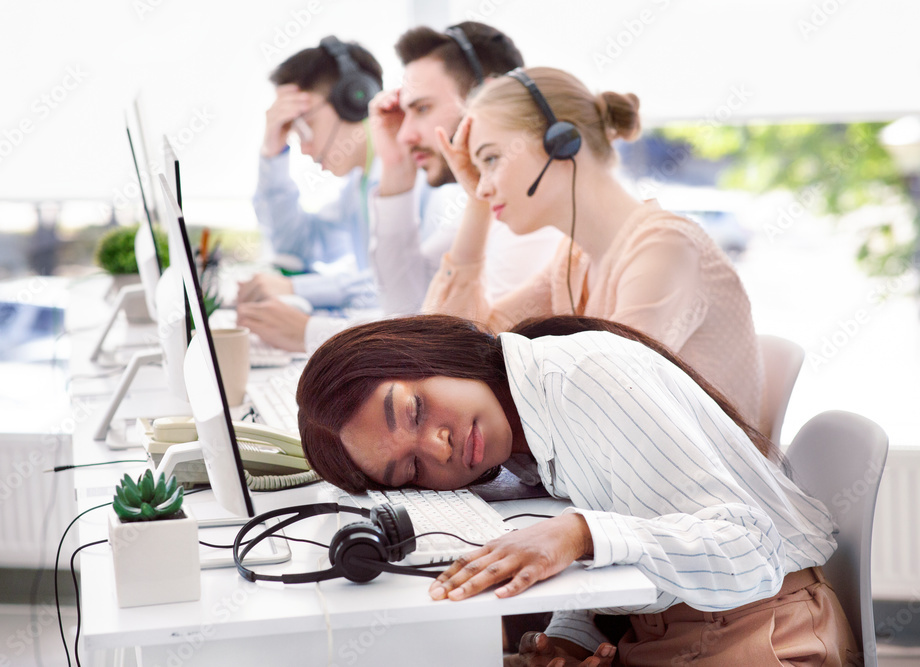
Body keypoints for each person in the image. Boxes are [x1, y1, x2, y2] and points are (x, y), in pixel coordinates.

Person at [295, 314, 858, 666]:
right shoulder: (525, 440)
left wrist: (578, 533)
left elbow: (750, 551)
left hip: (770, 637)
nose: (439, 448)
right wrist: (570, 637)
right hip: (667, 634)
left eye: (414, 410)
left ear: (432, 353)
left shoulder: (582, 379)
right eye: (411, 471)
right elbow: (638, 531)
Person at [423, 67, 765, 432]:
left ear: (561, 142)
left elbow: (610, 400)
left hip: (702, 488)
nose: (484, 186)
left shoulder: (664, 250)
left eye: (490, 160)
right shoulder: (574, 261)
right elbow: (458, 348)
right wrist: (476, 207)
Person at [367, 22, 565, 318]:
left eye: (422, 109)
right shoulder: (479, 203)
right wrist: (396, 167)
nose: (405, 134)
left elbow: (474, 351)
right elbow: (403, 306)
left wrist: (309, 333)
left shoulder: (530, 210)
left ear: (487, 97)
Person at [236, 37, 382, 348]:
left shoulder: (419, 178)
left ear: (355, 99)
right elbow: (297, 245)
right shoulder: (359, 187)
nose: (303, 147)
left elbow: (403, 291)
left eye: (305, 126)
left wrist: (295, 289)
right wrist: (272, 152)